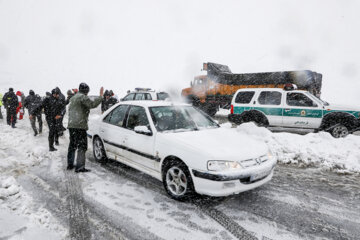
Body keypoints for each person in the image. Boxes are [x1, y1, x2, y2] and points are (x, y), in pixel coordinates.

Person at [67, 83, 104, 172]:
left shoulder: (73, 98)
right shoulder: (82, 97)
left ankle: (70, 164)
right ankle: (80, 167)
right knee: (82, 146)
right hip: (80, 126)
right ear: (86, 91)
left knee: (72, 145)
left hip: (72, 125)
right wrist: (100, 96)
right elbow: (92, 104)